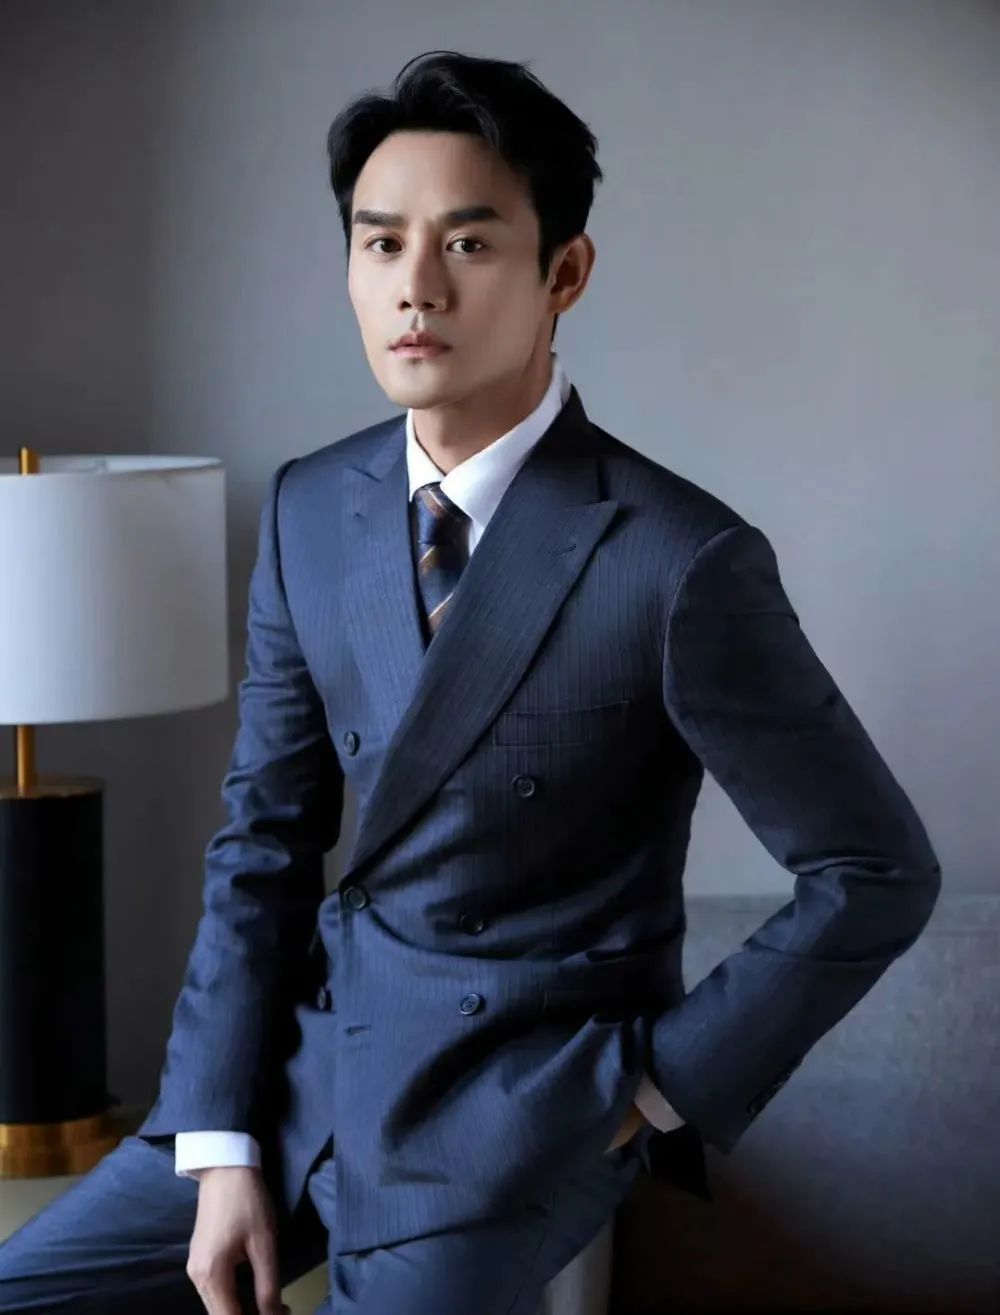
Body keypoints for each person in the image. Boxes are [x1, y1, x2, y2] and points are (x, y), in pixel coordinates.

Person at [0, 48, 941, 1315]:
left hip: (515, 1116)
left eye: (469, 244)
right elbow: (264, 840)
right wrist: (220, 1141)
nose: (417, 287)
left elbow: (875, 869)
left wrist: (653, 1090)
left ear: (565, 272)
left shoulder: (676, 556)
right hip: (302, 1076)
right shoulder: (310, 507)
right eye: (380, 243)